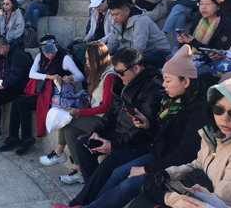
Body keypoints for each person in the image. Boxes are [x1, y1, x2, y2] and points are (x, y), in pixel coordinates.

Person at [54, 45, 206, 208]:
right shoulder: (172, 99)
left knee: (122, 179)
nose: (164, 85)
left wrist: (144, 166)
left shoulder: (193, 107)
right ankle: (88, 202)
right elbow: (116, 110)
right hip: (154, 148)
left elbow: (184, 154)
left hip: (163, 157)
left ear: (186, 81)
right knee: (102, 161)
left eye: (168, 81)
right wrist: (146, 125)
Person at [56, 48, 163, 208]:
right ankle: (92, 195)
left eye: (120, 72)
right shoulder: (127, 80)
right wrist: (97, 132)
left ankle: (79, 203)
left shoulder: (152, 89)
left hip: (137, 142)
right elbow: (113, 109)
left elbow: (141, 129)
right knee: (84, 146)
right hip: (119, 131)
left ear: (136, 68)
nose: (117, 76)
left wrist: (112, 146)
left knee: (109, 164)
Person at [129, 77, 231, 208]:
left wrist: (165, 196)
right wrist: (167, 174)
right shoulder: (214, 135)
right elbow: (199, 163)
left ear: (185, 81)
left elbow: (219, 205)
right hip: (198, 190)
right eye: (218, 109)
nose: (224, 118)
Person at [40, 41, 116, 185]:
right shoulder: (100, 71)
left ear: (97, 58)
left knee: (66, 119)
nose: (86, 63)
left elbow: (106, 107)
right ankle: (80, 171)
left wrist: (79, 112)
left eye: (88, 59)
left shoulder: (110, 76)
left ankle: (59, 153)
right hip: (94, 114)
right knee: (69, 131)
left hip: (103, 120)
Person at [0, 35, 84, 156]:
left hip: (56, 96)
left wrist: (70, 78)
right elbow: (31, 74)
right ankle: (13, 136)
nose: (50, 54)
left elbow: (80, 76)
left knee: (22, 103)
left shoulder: (64, 58)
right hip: (43, 92)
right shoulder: (40, 57)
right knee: (17, 101)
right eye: (47, 52)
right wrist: (49, 76)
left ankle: (27, 137)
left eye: (52, 51)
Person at [177, 0, 231, 75]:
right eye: (201, 4)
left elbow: (219, 52)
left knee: (183, 75)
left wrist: (193, 42)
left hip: (213, 64)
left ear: (218, 6)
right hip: (193, 58)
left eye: (208, 4)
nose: (203, 7)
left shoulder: (227, 24)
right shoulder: (198, 20)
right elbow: (188, 46)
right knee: (168, 71)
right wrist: (182, 41)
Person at [107, 0, 171, 68]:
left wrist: (118, 58)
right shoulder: (116, 22)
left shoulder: (141, 21)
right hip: (134, 53)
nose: (114, 18)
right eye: (112, 15)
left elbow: (139, 49)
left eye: (116, 14)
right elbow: (112, 44)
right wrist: (100, 55)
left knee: (130, 63)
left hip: (157, 53)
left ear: (126, 10)